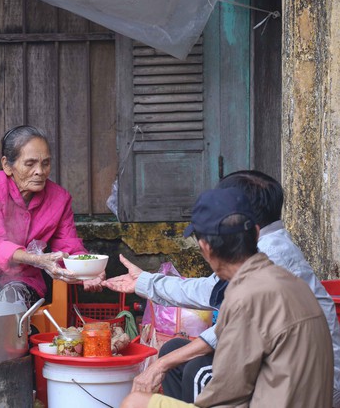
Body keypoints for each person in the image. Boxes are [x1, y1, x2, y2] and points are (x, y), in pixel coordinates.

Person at [103, 170, 340, 407]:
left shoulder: (252, 289)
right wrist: (145, 281)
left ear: (205, 248)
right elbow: (209, 290)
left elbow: (228, 391)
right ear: (254, 232)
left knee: (141, 399)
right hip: (292, 386)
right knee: (178, 354)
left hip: (302, 391)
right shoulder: (266, 270)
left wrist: (161, 366)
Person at [0, 125, 103, 308]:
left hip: (21, 278)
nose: (40, 171)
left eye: (45, 163)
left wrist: (89, 272)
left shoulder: (59, 199)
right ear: (7, 165)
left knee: (9, 306)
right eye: (30, 164)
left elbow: (68, 246)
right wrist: (37, 260)